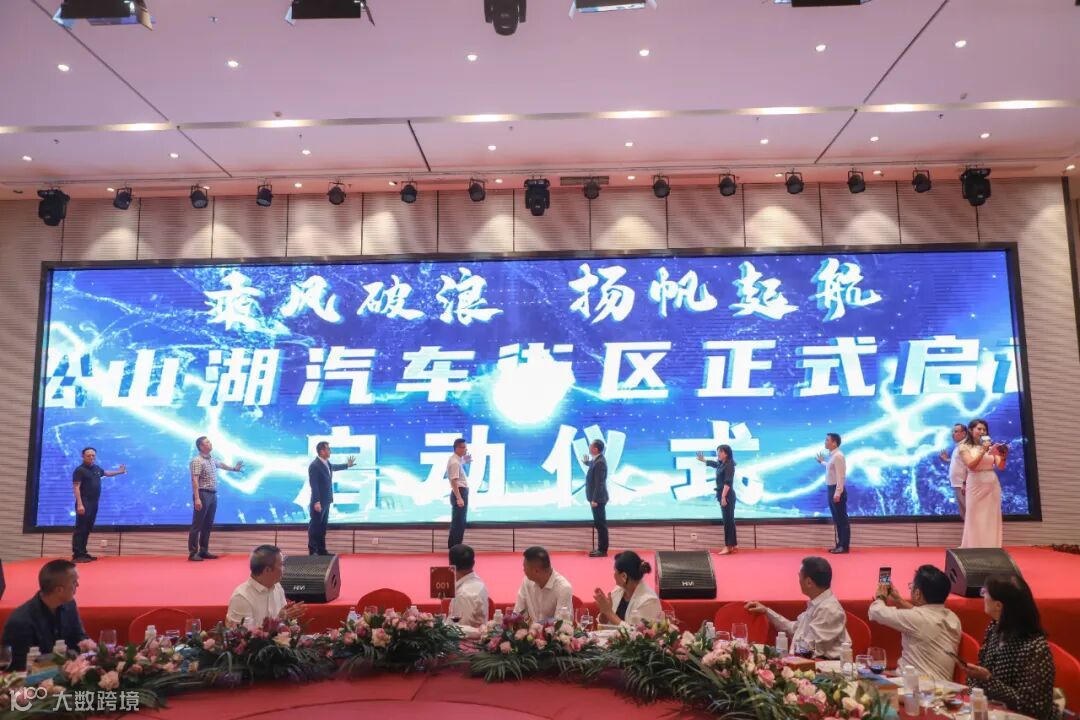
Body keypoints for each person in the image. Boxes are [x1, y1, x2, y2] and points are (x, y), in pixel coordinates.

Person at [961, 575, 1056, 720]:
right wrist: (967, 696)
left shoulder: (1035, 649)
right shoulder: (995, 628)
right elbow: (980, 674)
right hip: (991, 712)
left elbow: (1033, 708)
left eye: (984, 592)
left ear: (998, 605)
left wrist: (987, 679)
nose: (983, 596)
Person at [868, 564, 961, 681]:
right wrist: (899, 600)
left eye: (911, 586)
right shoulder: (953, 617)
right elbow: (922, 615)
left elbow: (875, 612)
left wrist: (881, 596)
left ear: (917, 594)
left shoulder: (918, 619)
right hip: (940, 684)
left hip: (917, 686)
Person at [745, 556, 850, 659]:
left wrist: (775, 654)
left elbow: (809, 650)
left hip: (821, 666)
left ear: (809, 582)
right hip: (806, 661)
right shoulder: (818, 603)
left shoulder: (828, 610)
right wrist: (766, 611)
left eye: (799, 576)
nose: (798, 580)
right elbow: (794, 629)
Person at [0, 560, 87, 671]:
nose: (77, 585)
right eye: (74, 582)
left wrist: (89, 648)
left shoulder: (69, 605)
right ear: (59, 590)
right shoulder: (20, 622)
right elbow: (20, 666)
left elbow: (80, 638)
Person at [188, 436, 243, 562]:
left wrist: (234, 469)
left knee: (208, 524)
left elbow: (221, 465)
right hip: (202, 494)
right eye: (207, 442)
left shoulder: (211, 459)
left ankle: (203, 550)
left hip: (212, 495)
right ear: (201, 446)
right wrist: (197, 498)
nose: (210, 443)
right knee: (197, 525)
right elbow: (194, 480)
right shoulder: (197, 461)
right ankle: (192, 553)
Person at [226, 545, 306, 628]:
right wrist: (279, 619)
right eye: (281, 565)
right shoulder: (242, 598)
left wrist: (288, 621)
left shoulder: (277, 587)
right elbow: (244, 635)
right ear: (267, 570)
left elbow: (284, 620)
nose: (284, 568)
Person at [72, 447, 126, 563]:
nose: (91, 457)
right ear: (83, 456)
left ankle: (83, 553)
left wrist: (119, 471)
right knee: (81, 528)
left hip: (94, 503)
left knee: (87, 528)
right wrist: (80, 504)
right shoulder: (79, 470)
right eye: (88, 456)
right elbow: (76, 487)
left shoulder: (96, 468)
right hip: (84, 502)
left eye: (93, 455)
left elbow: (106, 473)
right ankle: (77, 555)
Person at [960, 418, 1006, 549]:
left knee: (991, 516)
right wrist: (982, 450)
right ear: (971, 430)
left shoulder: (991, 446)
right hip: (975, 483)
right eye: (979, 429)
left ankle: (992, 547)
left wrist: (1003, 455)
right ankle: (974, 547)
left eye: (984, 429)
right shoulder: (964, 447)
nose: (982, 432)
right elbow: (971, 465)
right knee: (975, 516)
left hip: (992, 483)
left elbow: (1000, 466)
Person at [307, 441, 355, 556]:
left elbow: (333, 467)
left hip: (326, 501)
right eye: (328, 449)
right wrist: (316, 501)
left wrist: (347, 465)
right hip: (318, 503)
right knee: (315, 527)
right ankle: (313, 551)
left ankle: (322, 550)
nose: (330, 451)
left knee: (322, 527)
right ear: (322, 451)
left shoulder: (326, 463)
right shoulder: (314, 465)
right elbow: (314, 485)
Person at [593, 550, 662, 626]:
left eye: (615, 571)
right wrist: (604, 611)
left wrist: (609, 613)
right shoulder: (618, 591)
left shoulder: (649, 601)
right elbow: (605, 623)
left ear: (624, 576)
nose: (614, 575)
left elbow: (636, 632)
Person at [513, 546, 574, 623]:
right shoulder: (527, 581)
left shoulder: (563, 588)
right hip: (532, 630)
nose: (523, 570)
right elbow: (518, 613)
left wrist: (537, 626)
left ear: (536, 571)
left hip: (553, 631)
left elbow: (560, 623)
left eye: (525, 567)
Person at [697, 444, 737, 555]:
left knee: (728, 521)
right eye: (718, 451)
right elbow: (714, 464)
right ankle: (733, 545)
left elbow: (728, 483)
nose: (718, 453)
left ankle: (728, 546)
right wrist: (703, 460)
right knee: (729, 520)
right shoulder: (722, 463)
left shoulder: (729, 465)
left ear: (726, 453)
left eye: (720, 452)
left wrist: (723, 497)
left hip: (727, 495)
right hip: (722, 494)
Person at [815, 433, 849, 554]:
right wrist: (822, 462)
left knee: (841, 519)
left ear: (834, 443)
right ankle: (840, 544)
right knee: (837, 519)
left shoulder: (838, 456)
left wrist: (838, 492)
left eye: (827, 440)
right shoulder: (834, 456)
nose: (825, 442)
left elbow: (841, 476)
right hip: (831, 489)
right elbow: (831, 467)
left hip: (836, 489)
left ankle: (844, 546)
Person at [448, 543, 489, 628]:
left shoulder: (463, 595)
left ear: (451, 565)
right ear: (473, 563)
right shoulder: (479, 582)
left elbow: (459, 630)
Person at [939, 423, 970, 520]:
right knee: (964, 512)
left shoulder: (965, 447)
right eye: (952, 431)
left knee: (969, 512)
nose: (953, 434)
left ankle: (978, 530)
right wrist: (946, 459)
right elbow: (958, 462)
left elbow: (970, 465)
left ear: (964, 433)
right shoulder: (959, 447)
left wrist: (965, 483)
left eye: (956, 431)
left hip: (962, 485)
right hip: (958, 484)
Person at [584, 439, 609, 557]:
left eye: (590, 446)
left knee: (600, 524)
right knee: (598, 524)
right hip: (596, 498)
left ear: (595, 449)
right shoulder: (597, 460)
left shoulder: (600, 463)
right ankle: (600, 548)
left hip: (598, 499)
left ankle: (603, 550)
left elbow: (599, 483)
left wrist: (594, 499)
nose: (589, 447)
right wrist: (586, 462)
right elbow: (592, 465)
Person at [446, 438, 471, 549]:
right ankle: (455, 548)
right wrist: (459, 498)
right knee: (459, 523)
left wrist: (466, 459)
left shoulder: (456, 459)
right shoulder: (455, 462)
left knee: (459, 521)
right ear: (457, 448)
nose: (466, 449)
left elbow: (462, 461)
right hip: (459, 491)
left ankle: (454, 547)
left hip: (460, 491)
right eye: (463, 447)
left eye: (466, 447)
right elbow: (453, 481)